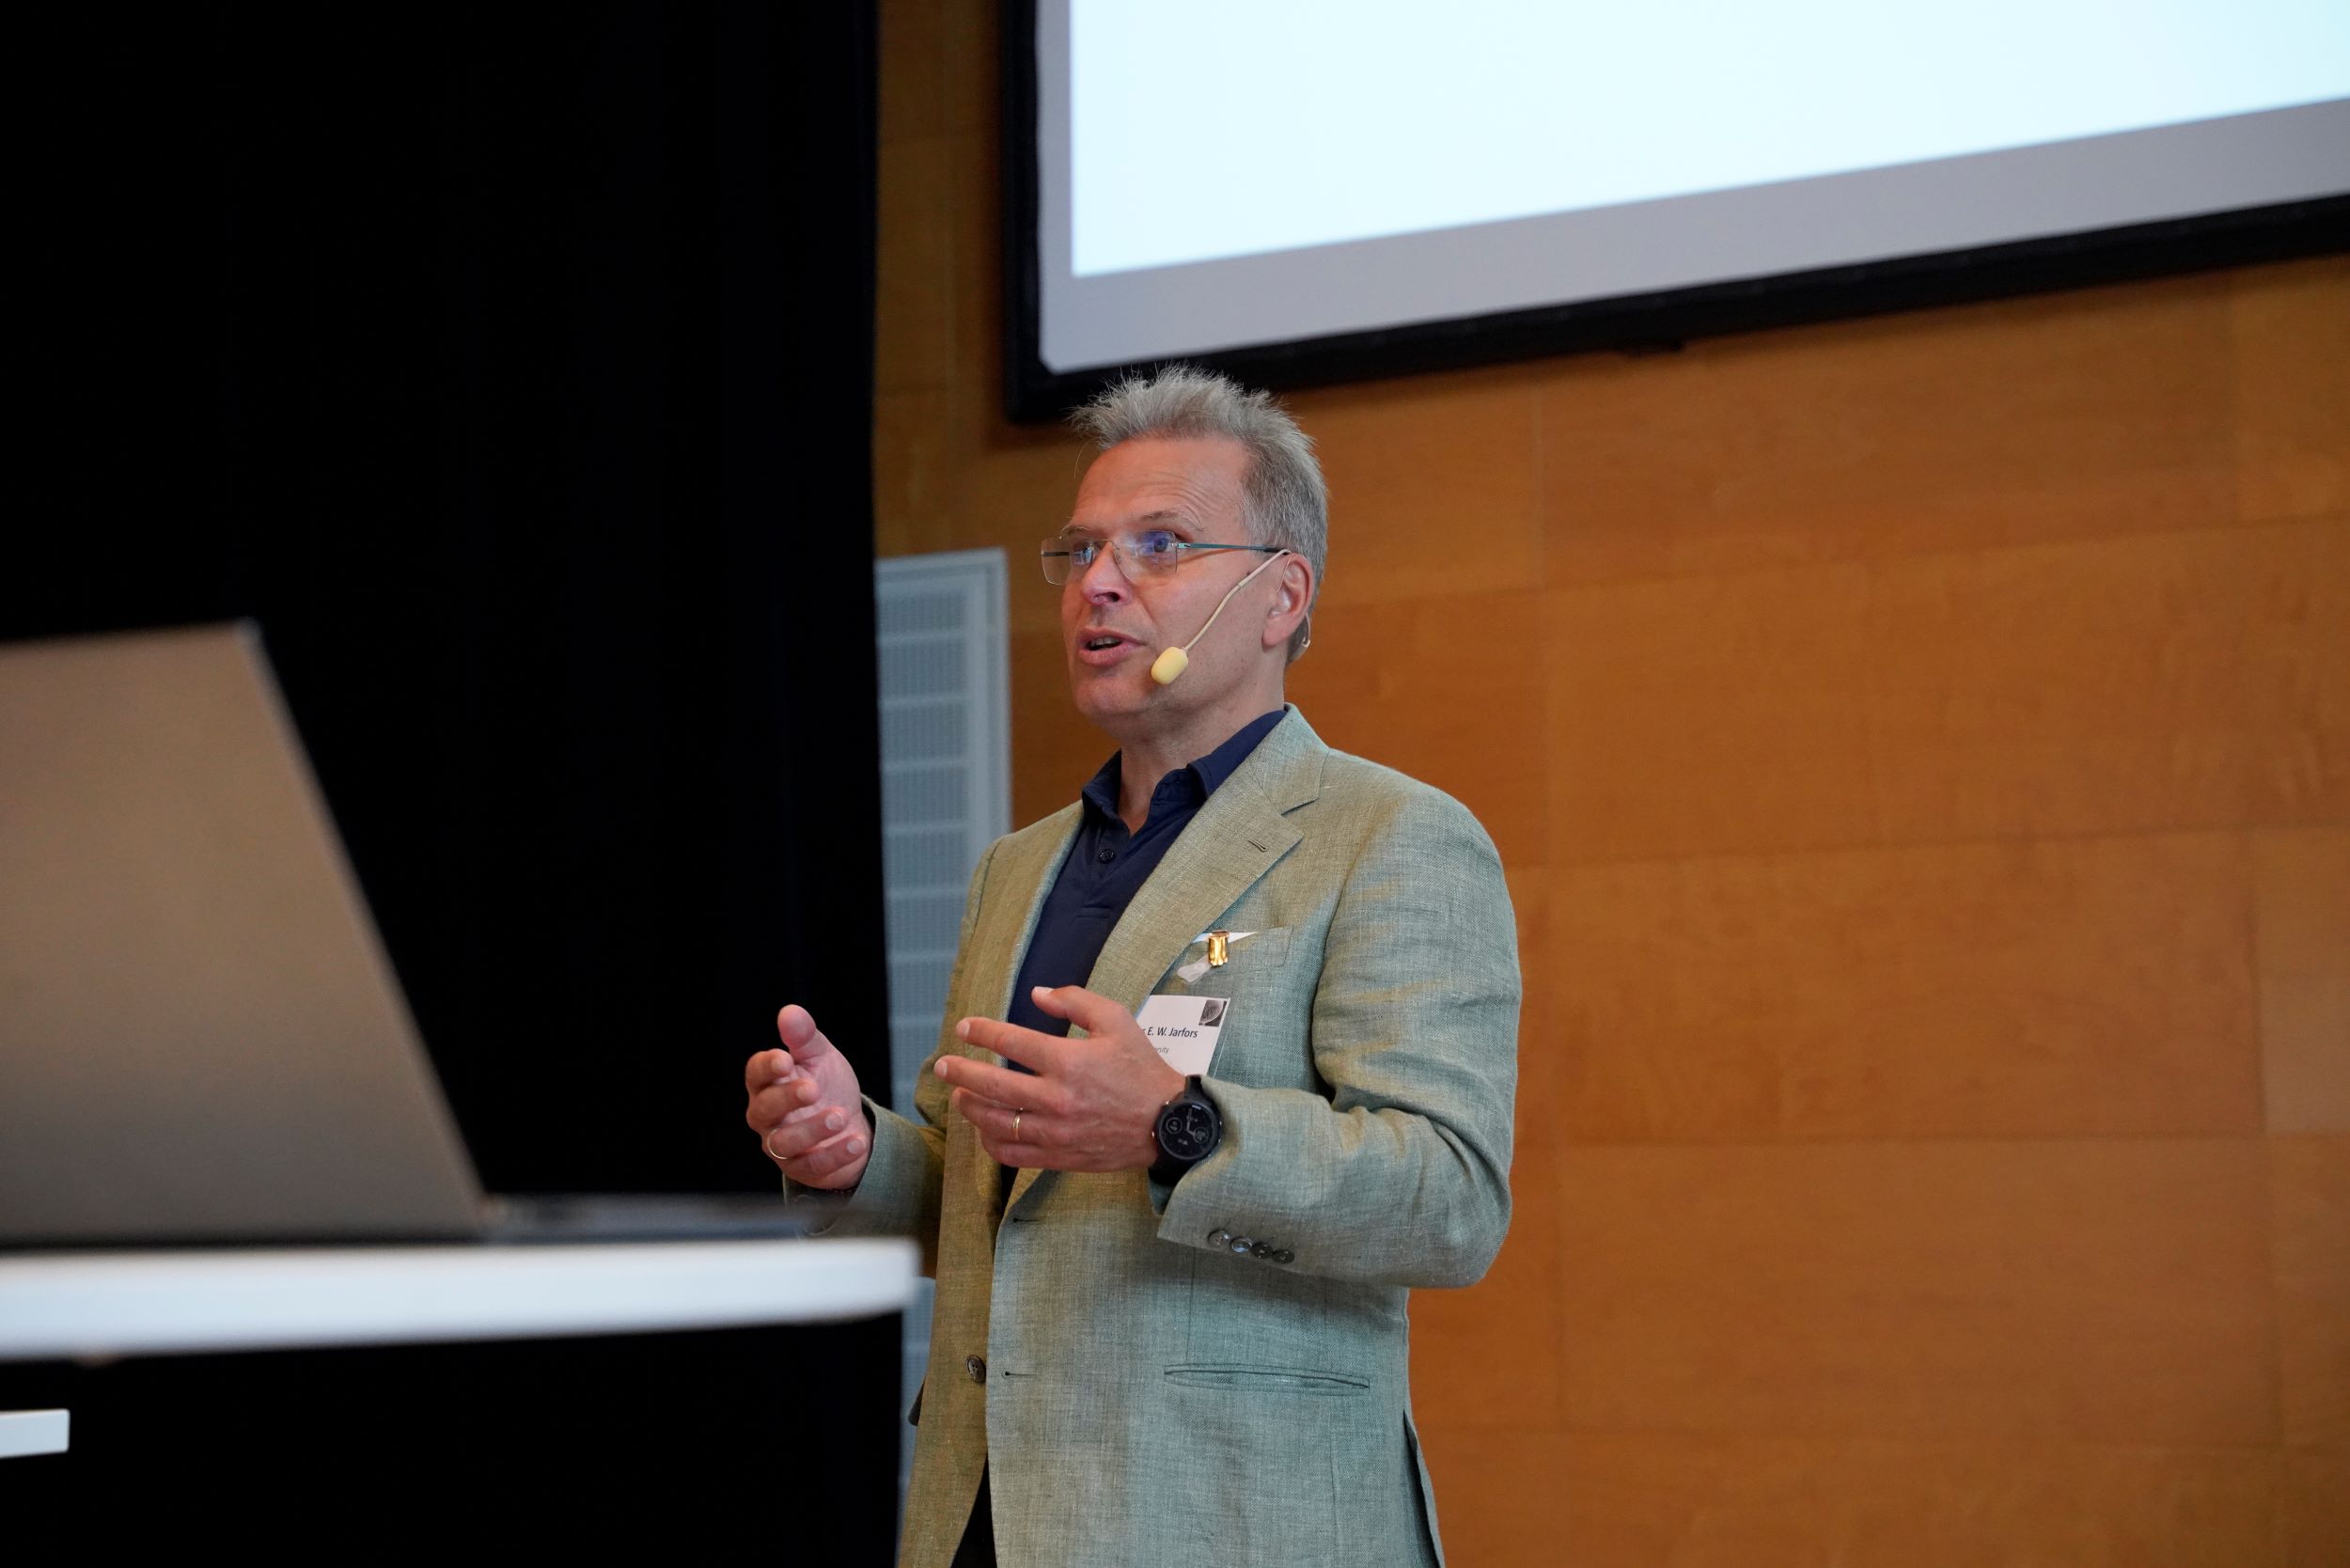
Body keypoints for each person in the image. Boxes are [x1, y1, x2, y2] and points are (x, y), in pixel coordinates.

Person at [743, 367, 1519, 1568]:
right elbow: (991, 1188)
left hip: (1237, 1517)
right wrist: (857, 1154)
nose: (1098, 583)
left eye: (1159, 545)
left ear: (1279, 596)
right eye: (1082, 549)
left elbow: (1450, 1199)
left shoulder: (1388, 836)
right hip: (988, 1514)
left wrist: (1177, 1126)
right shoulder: (1021, 866)